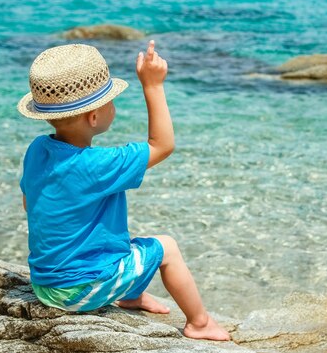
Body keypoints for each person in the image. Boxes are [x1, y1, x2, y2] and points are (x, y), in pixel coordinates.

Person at [17, 40, 230, 341]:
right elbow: (162, 145)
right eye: (112, 102)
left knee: (123, 241)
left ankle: (130, 294)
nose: (114, 108)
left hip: (45, 284)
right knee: (166, 247)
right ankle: (200, 323)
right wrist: (152, 86)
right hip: (79, 292)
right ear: (94, 117)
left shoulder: (38, 149)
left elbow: (30, 204)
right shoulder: (96, 164)